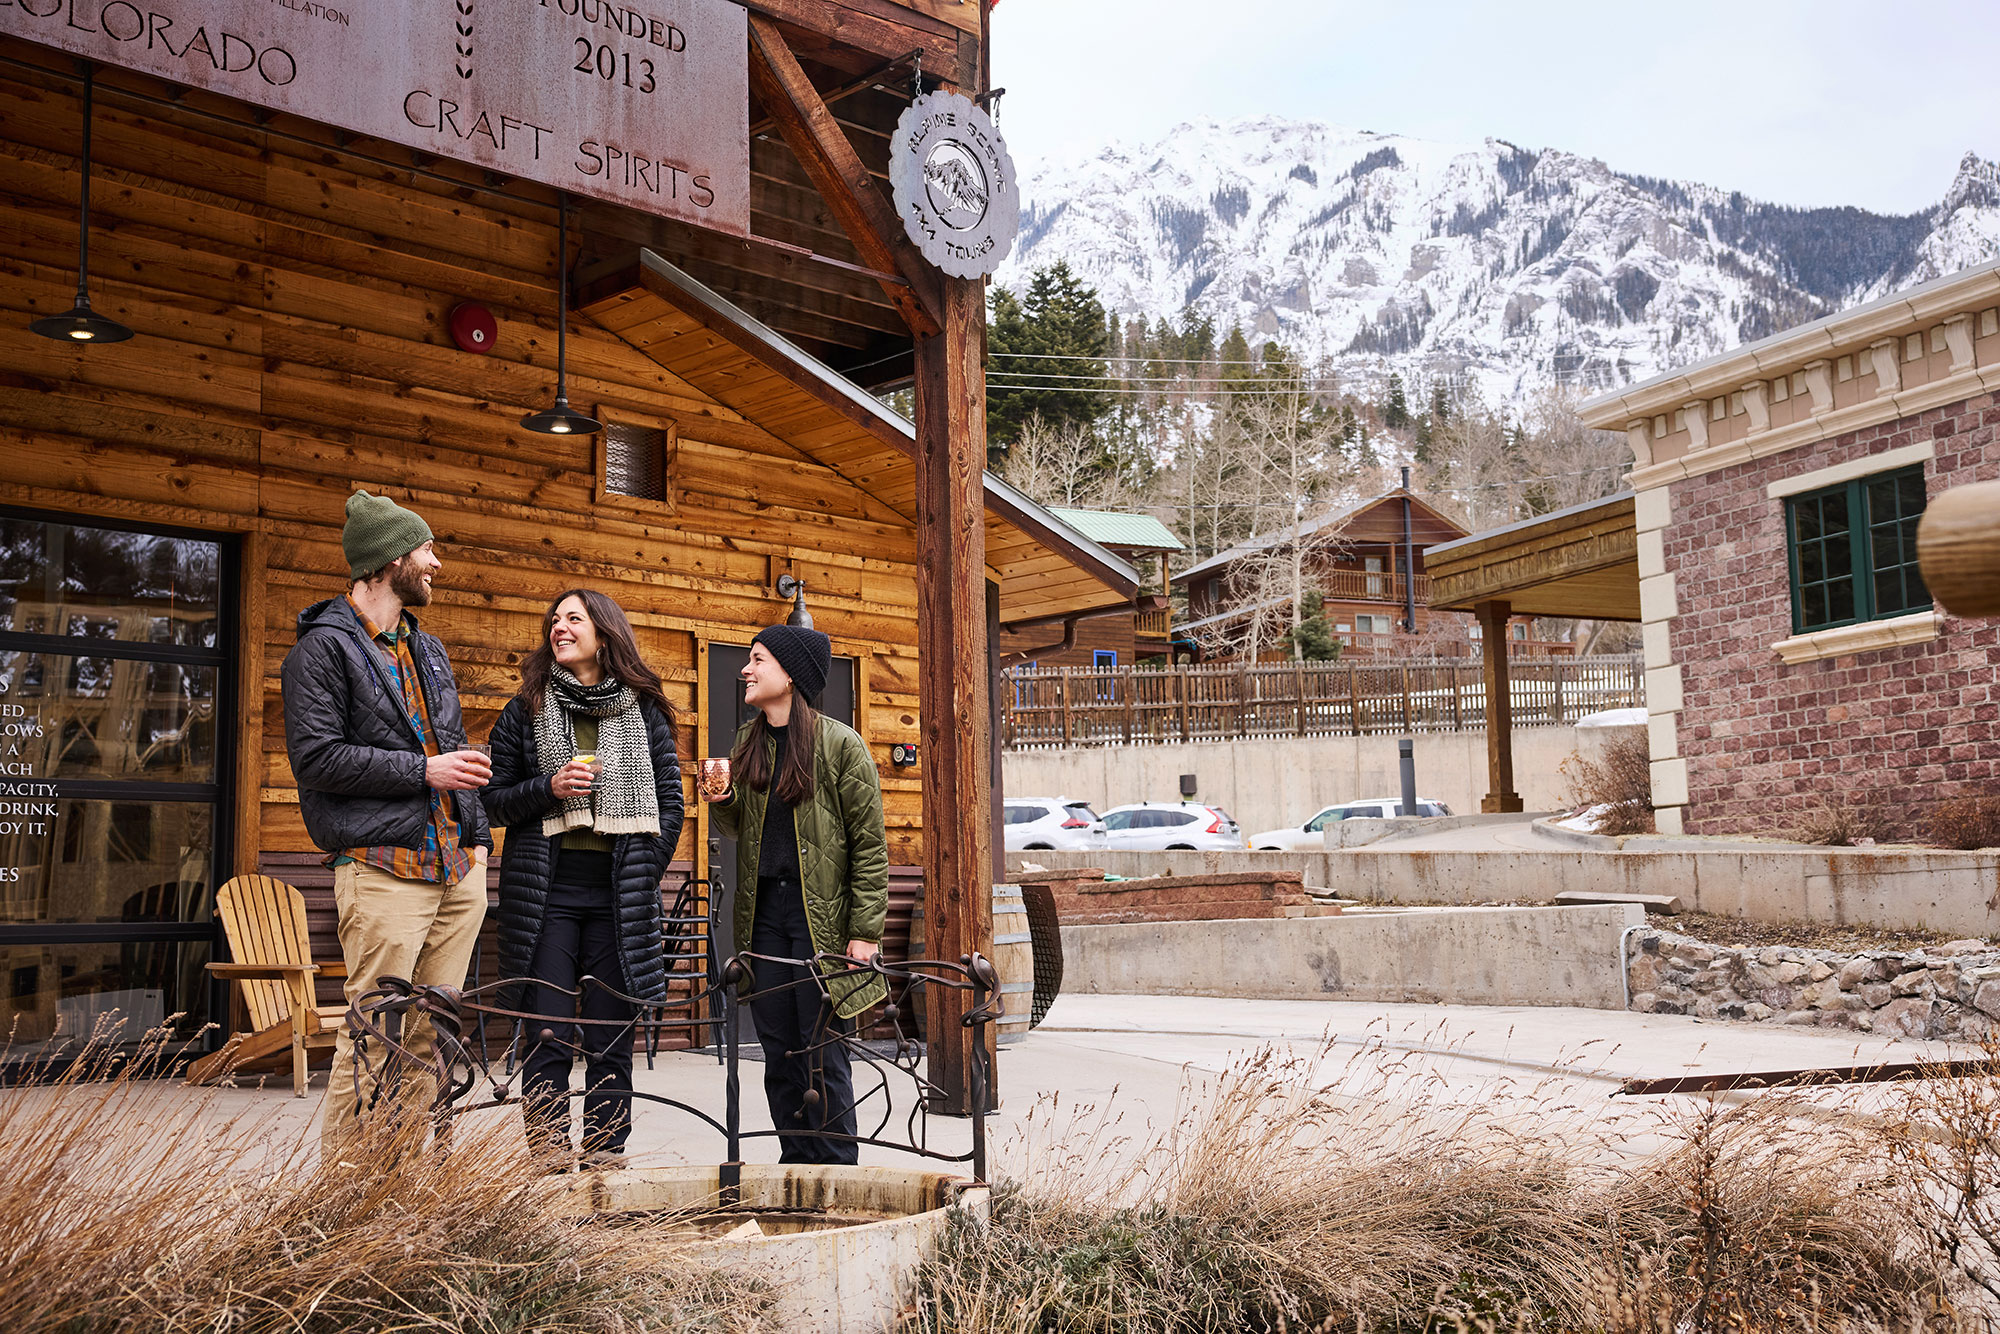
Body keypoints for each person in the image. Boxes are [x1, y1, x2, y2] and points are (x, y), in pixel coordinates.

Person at [281, 490, 492, 1158]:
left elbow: (451, 743)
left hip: (456, 871)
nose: (438, 563)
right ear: (387, 560)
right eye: (427, 549)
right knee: (375, 1033)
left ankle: (397, 1196)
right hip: (383, 869)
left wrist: (480, 842)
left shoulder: (427, 651)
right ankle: (347, 1201)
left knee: (429, 1035)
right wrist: (422, 773)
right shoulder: (319, 653)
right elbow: (317, 759)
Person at [483, 590, 685, 1168]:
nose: (559, 627)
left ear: (605, 632)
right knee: (545, 1030)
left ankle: (604, 1156)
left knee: (609, 1033)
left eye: (574, 618)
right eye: (554, 619)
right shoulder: (524, 709)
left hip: (619, 897)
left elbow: (670, 805)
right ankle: (546, 1158)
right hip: (545, 895)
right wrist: (548, 789)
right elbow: (492, 802)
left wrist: (645, 868)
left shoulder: (643, 710)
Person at [703, 626, 887, 1165]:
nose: (746, 670)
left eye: (757, 660)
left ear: (790, 674)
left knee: (822, 1048)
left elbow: (870, 848)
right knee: (779, 1049)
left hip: (821, 919)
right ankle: (794, 1164)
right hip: (765, 914)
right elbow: (735, 828)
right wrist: (722, 795)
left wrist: (863, 933)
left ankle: (834, 1169)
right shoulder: (747, 742)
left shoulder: (840, 745)